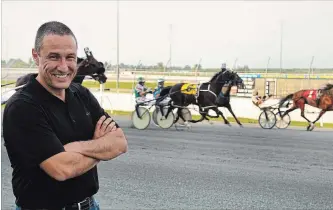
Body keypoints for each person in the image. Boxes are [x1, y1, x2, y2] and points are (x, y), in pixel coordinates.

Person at [2, 21, 128, 210]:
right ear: (36, 57)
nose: (63, 67)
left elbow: (119, 143)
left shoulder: (82, 94)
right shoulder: (22, 107)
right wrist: (100, 146)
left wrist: (76, 147)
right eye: (54, 57)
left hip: (89, 205)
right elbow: (62, 169)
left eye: (70, 57)